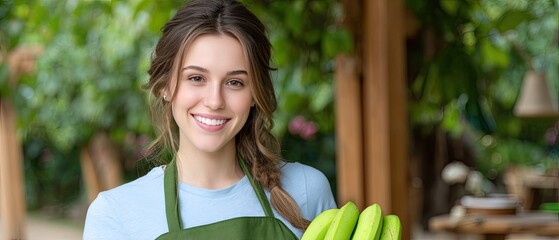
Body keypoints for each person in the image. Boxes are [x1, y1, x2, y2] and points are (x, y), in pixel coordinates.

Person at [83, 0, 337, 239]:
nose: (215, 101)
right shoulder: (116, 214)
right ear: (165, 86)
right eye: (196, 78)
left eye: (235, 82)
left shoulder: (306, 191)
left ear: (254, 95)